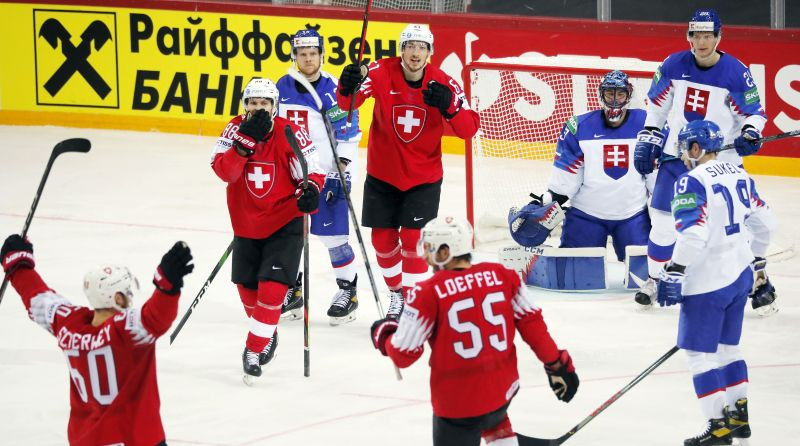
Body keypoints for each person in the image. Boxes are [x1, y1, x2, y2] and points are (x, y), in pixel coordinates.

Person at [370, 216, 579, 446]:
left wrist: (384, 335)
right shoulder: (503, 275)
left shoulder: (427, 292)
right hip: (501, 392)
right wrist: (556, 363)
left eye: (430, 248)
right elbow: (532, 324)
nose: (426, 255)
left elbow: (403, 354)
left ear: (445, 252)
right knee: (495, 421)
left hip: (457, 405)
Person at [633, 8, 775, 313]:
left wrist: (750, 131)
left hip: (720, 159)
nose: (701, 41)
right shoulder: (673, 64)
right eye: (696, 35)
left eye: (708, 35)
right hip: (678, 154)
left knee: (734, 226)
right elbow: (657, 108)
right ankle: (657, 279)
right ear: (689, 37)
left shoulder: (736, 72)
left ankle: (757, 277)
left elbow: (754, 114)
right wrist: (649, 135)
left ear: (719, 37)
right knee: (661, 222)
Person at [336, 24, 480, 319]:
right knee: (382, 242)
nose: (415, 53)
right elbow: (347, 104)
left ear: (430, 52)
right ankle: (397, 295)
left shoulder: (443, 83)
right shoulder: (378, 71)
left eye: (422, 47)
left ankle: (413, 301)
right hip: (382, 175)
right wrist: (347, 84)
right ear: (401, 50)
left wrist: (450, 107)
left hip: (422, 179)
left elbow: (469, 129)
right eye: (410, 46)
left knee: (414, 239)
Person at [1, 235, 194, 446]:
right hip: (134, 438)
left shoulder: (68, 325)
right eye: (126, 293)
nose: (129, 298)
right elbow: (155, 318)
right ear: (117, 299)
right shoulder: (125, 332)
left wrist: (18, 265)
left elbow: (38, 298)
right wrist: (167, 287)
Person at [655, 120, 775, 445]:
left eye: (684, 147)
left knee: (698, 355)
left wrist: (675, 270)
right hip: (740, 275)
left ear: (696, 148)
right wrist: (758, 260)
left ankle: (718, 427)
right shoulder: (740, 173)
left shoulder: (689, 181)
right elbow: (766, 223)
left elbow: (693, 235)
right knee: (729, 349)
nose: (681, 155)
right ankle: (740, 419)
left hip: (707, 282)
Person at [211, 77, 325, 381]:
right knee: (247, 289)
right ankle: (266, 332)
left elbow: (313, 168)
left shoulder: (289, 130)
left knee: (272, 288)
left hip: (284, 221)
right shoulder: (234, 129)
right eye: (253, 103)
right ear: (245, 105)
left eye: (264, 103)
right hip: (246, 224)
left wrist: (311, 189)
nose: (258, 108)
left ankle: (253, 350)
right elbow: (226, 172)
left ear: (275, 106)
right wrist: (244, 143)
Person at [509, 70, 651, 262]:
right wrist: (548, 201)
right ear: (601, 95)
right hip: (586, 216)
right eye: (610, 93)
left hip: (633, 215)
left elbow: (656, 175)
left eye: (620, 94)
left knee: (645, 276)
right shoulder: (578, 126)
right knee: (576, 277)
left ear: (628, 95)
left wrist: (667, 211)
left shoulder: (648, 125)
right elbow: (566, 180)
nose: (615, 100)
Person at [276, 28, 363, 325]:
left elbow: (349, 134)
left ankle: (347, 293)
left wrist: (339, 172)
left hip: (327, 175)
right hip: (290, 176)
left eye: (313, 54)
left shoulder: (333, 89)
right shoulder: (281, 86)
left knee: (334, 237)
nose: (308, 59)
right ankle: (294, 291)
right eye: (303, 54)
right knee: (289, 235)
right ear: (294, 56)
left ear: (322, 55)